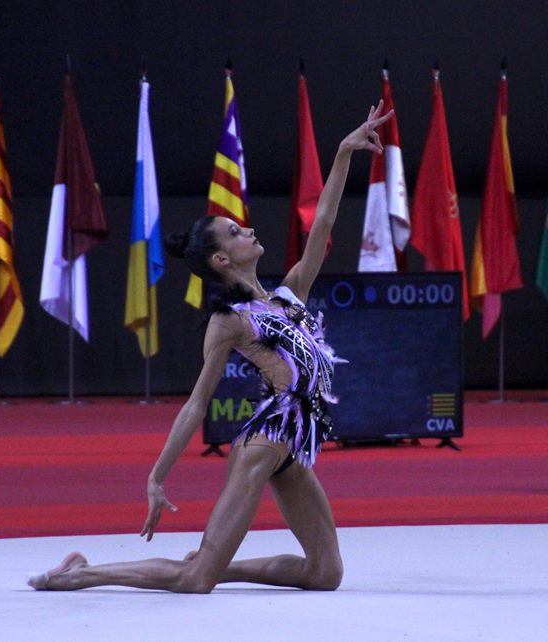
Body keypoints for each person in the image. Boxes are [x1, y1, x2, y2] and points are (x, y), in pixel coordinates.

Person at [27, 101, 394, 593]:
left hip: (293, 444)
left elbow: (323, 223)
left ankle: (224, 565)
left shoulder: (288, 293)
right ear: (221, 259)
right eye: (235, 233)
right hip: (265, 441)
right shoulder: (229, 321)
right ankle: (81, 573)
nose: (249, 231)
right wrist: (157, 477)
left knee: (325, 573)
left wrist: (344, 153)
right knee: (196, 580)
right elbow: (197, 404)